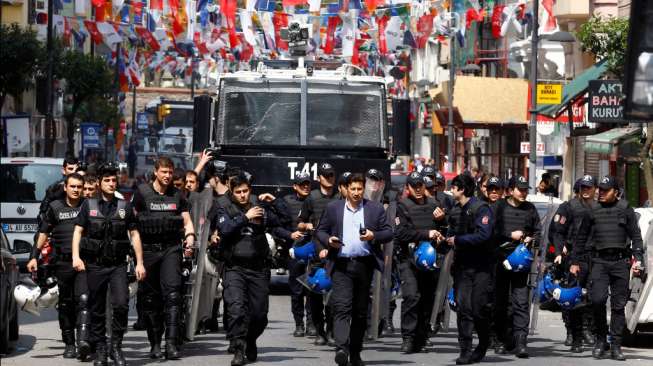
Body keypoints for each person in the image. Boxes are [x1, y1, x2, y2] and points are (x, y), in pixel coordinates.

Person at [71, 162, 146, 366]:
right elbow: (78, 231)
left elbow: (135, 235)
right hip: (94, 264)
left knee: (121, 305)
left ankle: (116, 346)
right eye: (107, 180)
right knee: (96, 309)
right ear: (99, 183)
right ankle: (101, 349)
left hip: (118, 265)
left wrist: (140, 263)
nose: (112, 183)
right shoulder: (89, 205)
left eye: (114, 180)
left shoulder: (125, 206)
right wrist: (76, 257)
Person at [315, 173, 393, 366]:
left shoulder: (374, 209)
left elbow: (389, 232)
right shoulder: (333, 208)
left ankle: (355, 351)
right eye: (353, 189)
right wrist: (328, 241)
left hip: (364, 265)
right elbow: (320, 231)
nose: (357, 193)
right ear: (345, 189)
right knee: (342, 307)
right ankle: (341, 348)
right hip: (341, 265)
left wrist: (373, 235)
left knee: (359, 311)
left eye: (360, 189)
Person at [214, 173, 289, 366]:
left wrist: (276, 202)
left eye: (245, 191)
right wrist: (245, 217)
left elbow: (283, 221)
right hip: (234, 267)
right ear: (232, 192)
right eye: (238, 192)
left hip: (258, 268)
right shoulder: (224, 206)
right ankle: (238, 349)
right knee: (236, 309)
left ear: (250, 190)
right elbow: (225, 230)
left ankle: (251, 340)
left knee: (259, 315)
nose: (242, 195)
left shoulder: (259, 206)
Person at [573, 176, 644, 361]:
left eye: (605, 190)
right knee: (597, 300)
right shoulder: (592, 210)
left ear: (616, 192)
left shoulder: (625, 209)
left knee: (618, 306)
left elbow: (636, 236)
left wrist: (638, 258)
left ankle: (616, 345)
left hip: (621, 262)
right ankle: (600, 341)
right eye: (600, 190)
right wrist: (574, 261)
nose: (601, 193)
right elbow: (581, 238)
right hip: (599, 262)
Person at [131, 156, 195, 360]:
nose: (167, 176)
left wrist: (190, 237)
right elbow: (132, 226)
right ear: (156, 172)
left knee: (173, 295)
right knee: (151, 300)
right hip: (149, 251)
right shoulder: (141, 193)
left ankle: (171, 343)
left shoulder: (178, 195)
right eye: (164, 172)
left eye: (170, 172)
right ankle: (155, 343)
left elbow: (187, 221)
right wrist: (137, 257)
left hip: (171, 249)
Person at [27, 173, 90, 360]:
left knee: (84, 300)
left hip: (84, 262)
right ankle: (69, 343)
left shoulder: (89, 206)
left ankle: (83, 341)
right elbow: (43, 233)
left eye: (79, 187)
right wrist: (33, 257)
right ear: (66, 187)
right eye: (73, 186)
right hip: (62, 262)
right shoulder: (55, 208)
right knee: (66, 304)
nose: (76, 190)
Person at [445, 174, 494, 364]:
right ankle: (465, 349)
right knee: (463, 307)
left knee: (478, 308)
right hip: (462, 267)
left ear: (462, 189)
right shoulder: (455, 211)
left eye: (454, 187)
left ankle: (483, 342)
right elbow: (450, 235)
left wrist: (458, 240)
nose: (451, 191)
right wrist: (443, 240)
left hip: (481, 267)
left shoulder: (481, 209)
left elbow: (484, 235)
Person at [394, 172, 445, 354]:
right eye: (413, 186)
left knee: (426, 299)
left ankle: (422, 337)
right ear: (407, 188)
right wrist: (426, 234)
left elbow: (445, 231)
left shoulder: (434, 205)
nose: (417, 189)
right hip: (408, 259)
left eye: (420, 185)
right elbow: (401, 233)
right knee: (411, 296)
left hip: (429, 259)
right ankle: (408, 338)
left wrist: (441, 223)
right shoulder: (402, 206)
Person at [492, 175, 541, 358]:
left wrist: (531, 238)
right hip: (501, 261)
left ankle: (521, 342)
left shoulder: (530, 209)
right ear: (510, 190)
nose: (524, 193)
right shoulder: (498, 207)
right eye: (520, 189)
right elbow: (489, 231)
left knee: (521, 302)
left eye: (526, 189)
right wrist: (509, 234)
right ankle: (500, 340)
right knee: (500, 304)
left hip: (522, 263)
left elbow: (538, 232)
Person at [551, 175, 597, 352]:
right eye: (583, 187)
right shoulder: (568, 207)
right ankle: (572, 332)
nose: (586, 190)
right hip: (573, 257)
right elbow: (557, 231)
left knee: (592, 296)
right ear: (579, 189)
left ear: (594, 189)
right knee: (571, 296)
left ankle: (587, 329)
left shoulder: (598, 208)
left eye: (589, 187)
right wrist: (560, 249)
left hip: (593, 257)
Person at [298, 162, 338, 346]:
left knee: (334, 294)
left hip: (335, 251)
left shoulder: (340, 197)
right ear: (319, 178)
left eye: (331, 175)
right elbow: (300, 222)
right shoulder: (311, 198)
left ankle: (331, 331)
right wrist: (307, 226)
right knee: (315, 293)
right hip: (315, 250)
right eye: (325, 175)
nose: (329, 178)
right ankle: (319, 331)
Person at [274, 172, 314, 337]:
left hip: (314, 250)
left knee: (313, 288)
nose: (305, 187)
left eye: (307, 184)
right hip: (294, 252)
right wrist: (290, 235)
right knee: (297, 290)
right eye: (302, 184)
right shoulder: (286, 203)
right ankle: (299, 324)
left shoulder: (315, 201)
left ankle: (312, 324)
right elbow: (276, 227)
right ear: (295, 186)